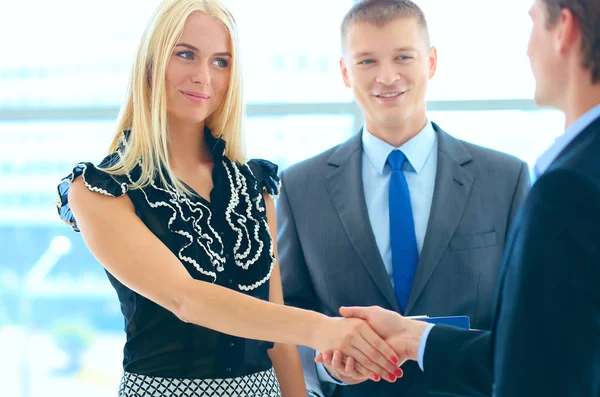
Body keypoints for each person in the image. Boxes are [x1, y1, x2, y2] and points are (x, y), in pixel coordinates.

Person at [54, 0, 402, 395]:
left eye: (221, 62)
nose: (204, 77)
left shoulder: (255, 185)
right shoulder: (100, 190)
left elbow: (279, 340)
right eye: (186, 54)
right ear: (150, 64)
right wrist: (324, 330)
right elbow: (188, 300)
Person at [330, 0, 600, 396]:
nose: (526, 49)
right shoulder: (300, 185)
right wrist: (414, 337)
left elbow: (538, 370)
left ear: (564, 29)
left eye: (533, 26)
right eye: (367, 61)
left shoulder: (561, 188)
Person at [276, 0, 531, 396]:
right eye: (366, 62)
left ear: (430, 61)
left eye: (403, 57)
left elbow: (526, 315)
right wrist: (331, 367)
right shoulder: (300, 186)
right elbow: (287, 317)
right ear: (345, 72)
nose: (387, 76)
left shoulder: (505, 178)